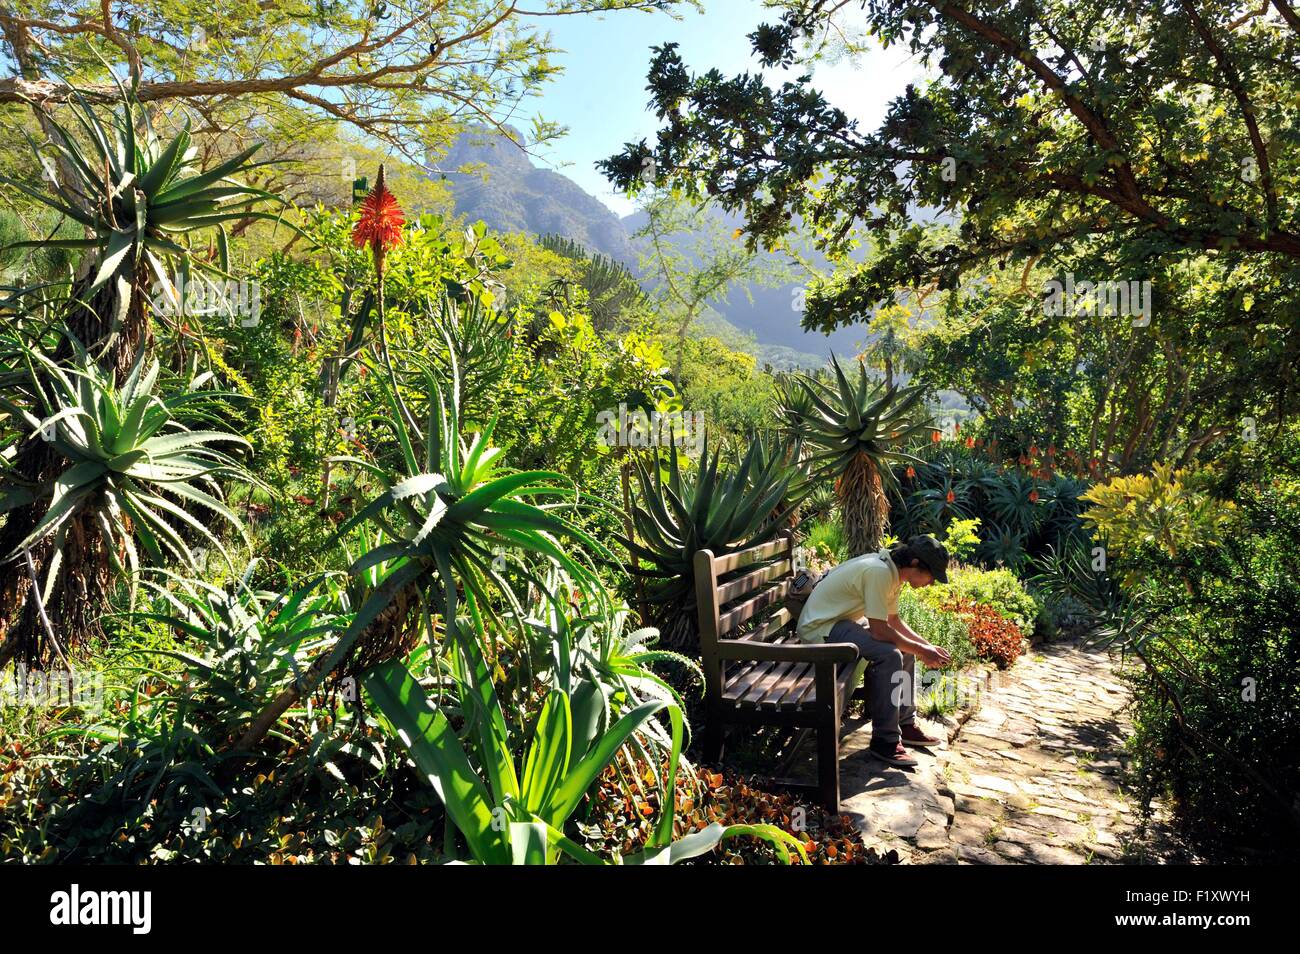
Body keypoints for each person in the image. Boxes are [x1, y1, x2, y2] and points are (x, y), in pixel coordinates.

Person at [796, 535, 953, 768]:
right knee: (890, 655)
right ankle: (885, 741)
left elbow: (893, 621)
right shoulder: (879, 572)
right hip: (819, 630)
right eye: (932, 576)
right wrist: (922, 650)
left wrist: (925, 646)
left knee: (906, 650)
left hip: (839, 623)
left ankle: (905, 723)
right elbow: (880, 631)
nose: (931, 584)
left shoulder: (892, 572)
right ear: (915, 563)